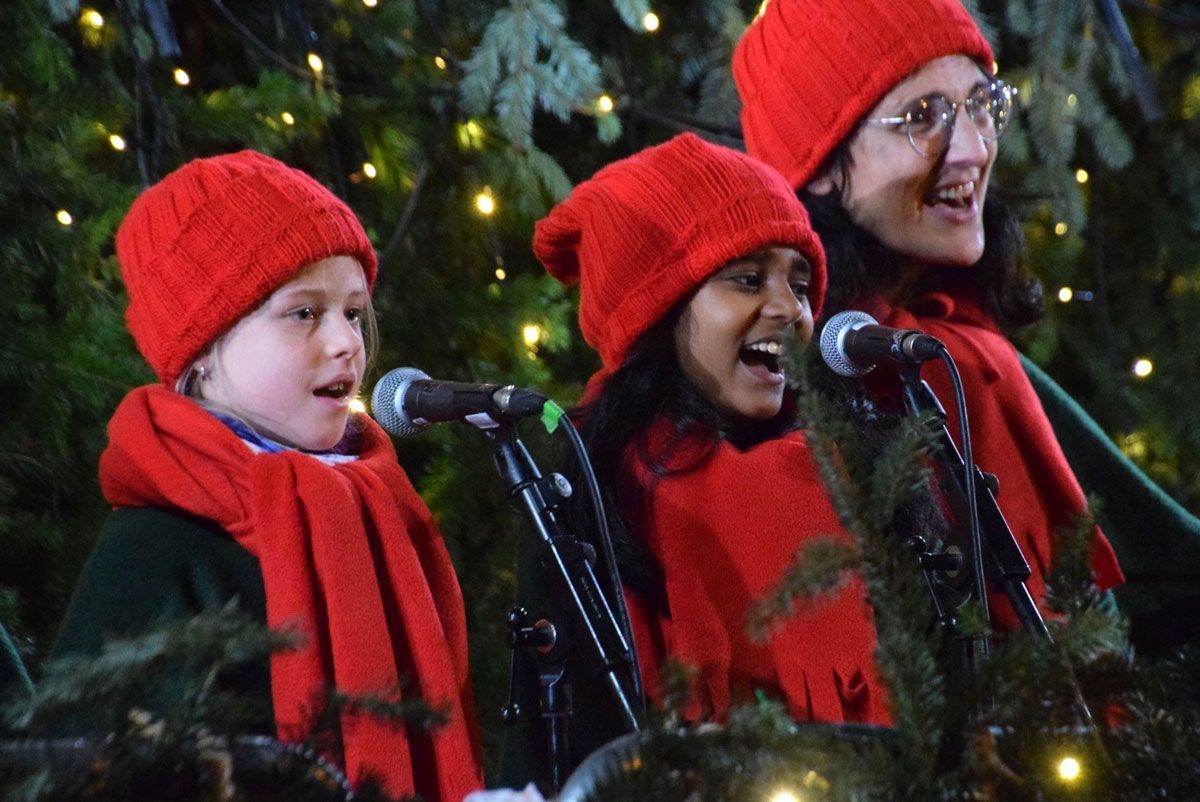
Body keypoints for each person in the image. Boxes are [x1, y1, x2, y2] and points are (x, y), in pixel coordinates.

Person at [49, 150, 481, 801]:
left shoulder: (380, 508)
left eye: (354, 312)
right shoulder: (156, 549)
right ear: (204, 356)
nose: (346, 343)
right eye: (304, 313)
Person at [505, 133, 900, 788]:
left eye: (800, 285)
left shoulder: (856, 467)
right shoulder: (586, 485)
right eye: (746, 279)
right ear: (655, 311)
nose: (788, 309)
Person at [732, 0, 1127, 633]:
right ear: (824, 164)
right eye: (923, 117)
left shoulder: (963, 338)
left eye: (980, 104)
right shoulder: (781, 392)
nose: (974, 148)